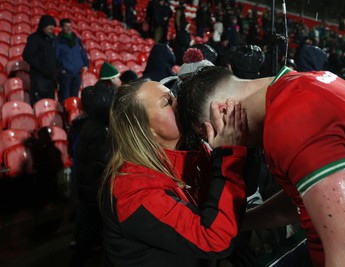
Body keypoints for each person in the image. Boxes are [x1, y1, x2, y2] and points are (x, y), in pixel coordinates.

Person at [178, 65, 345, 267]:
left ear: (223, 113)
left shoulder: (292, 119)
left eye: (209, 135)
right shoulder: (306, 83)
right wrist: (242, 221)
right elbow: (311, 198)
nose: (215, 143)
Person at [100, 78, 249, 266]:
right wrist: (229, 154)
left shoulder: (191, 149)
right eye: (167, 102)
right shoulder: (132, 191)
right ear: (147, 130)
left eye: (174, 96)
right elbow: (214, 239)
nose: (179, 103)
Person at [70, 83, 114, 267]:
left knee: (88, 230)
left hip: (88, 190)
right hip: (95, 192)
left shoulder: (91, 125)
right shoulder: (100, 131)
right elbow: (102, 165)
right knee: (91, 234)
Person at [23, 15, 58, 105]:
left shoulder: (53, 39)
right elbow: (26, 55)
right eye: (49, 24)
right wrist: (42, 68)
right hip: (39, 79)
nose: (52, 27)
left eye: (53, 25)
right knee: (38, 106)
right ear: (43, 25)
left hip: (51, 80)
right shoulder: (34, 38)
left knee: (50, 105)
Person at [55, 18, 90, 104]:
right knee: (65, 98)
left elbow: (83, 52)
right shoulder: (58, 41)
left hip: (77, 73)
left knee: (75, 98)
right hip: (65, 74)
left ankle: (74, 115)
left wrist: (86, 64)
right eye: (66, 27)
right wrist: (61, 69)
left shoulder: (76, 39)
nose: (69, 28)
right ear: (62, 28)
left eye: (70, 26)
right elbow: (56, 57)